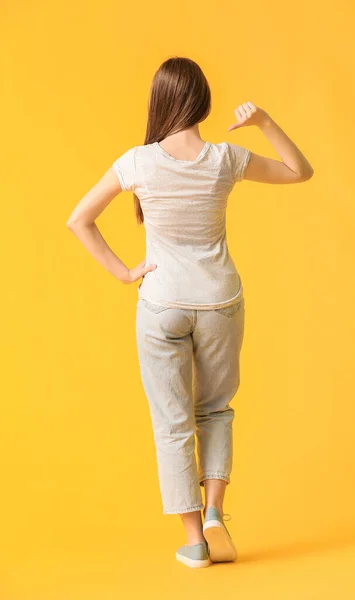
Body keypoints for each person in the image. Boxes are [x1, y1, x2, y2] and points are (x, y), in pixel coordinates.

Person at [66, 56, 314, 569]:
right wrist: (263, 121)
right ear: (202, 101)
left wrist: (124, 272)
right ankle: (216, 512)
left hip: (162, 304)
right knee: (216, 409)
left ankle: (194, 541)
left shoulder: (136, 161)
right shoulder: (225, 158)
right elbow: (300, 171)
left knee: (172, 422)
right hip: (220, 300)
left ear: (159, 101)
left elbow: (79, 220)